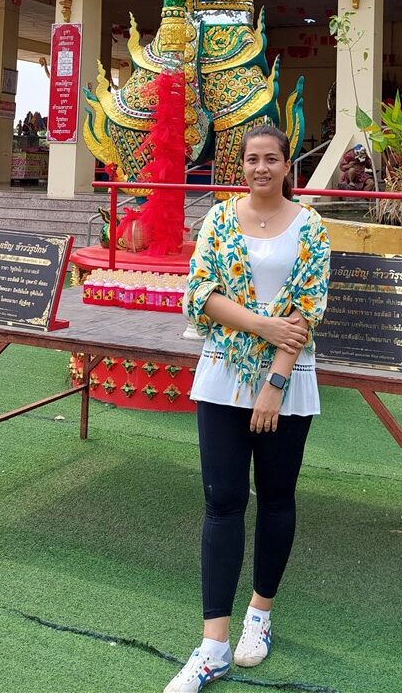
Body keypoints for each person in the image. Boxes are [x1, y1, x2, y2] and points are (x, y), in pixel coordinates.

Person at [165, 124, 330, 693]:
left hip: (286, 381)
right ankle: (213, 645)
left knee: (277, 496)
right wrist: (262, 325)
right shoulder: (218, 220)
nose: (261, 168)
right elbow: (199, 293)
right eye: (252, 159)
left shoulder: (311, 227)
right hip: (222, 377)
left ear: (288, 166)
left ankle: (259, 613)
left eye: (272, 159)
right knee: (223, 501)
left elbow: (309, 309)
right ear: (241, 167)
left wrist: (274, 386)